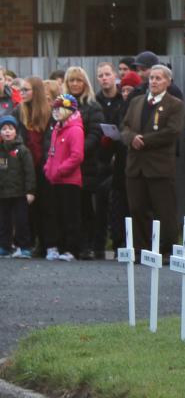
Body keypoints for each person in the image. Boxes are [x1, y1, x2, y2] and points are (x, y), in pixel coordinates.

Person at [121, 65, 183, 256]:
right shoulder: (136, 102)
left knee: (164, 211)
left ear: (168, 82)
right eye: (152, 78)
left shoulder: (174, 104)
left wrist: (144, 141)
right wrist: (131, 138)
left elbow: (172, 131)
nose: (154, 81)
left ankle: (166, 251)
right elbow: (124, 126)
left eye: (159, 78)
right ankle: (141, 249)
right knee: (137, 209)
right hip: (135, 167)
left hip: (159, 167)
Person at [63, 66, 105, 261]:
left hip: (86, 165)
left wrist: (78, 152)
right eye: (71, 81)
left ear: (85, 83)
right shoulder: (62, 107)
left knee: (86, 207)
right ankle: (73, 245)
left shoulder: (93, 106)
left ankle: (88, 245)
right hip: (66, 166)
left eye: (78, 80)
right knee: (70, 208)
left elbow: (96, 134)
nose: (75, 84)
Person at [11, 77, 54, 257]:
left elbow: (49, 141)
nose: (22, 93)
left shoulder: (49, 113)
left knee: (47, 207)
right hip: (24, 167)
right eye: (21, 90)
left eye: (26, 90)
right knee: (28, 208)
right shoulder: (17, 112)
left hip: (44, 166)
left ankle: (48, 244)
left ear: (35, 91)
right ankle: (30, 244)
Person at [44, 94, 85, 262]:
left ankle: (71, 248)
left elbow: (77, 156)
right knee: (55, 214)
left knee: (70, 215)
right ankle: (57, 245)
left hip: (69, 181)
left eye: (59, 109)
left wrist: (60, 170)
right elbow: (51, 151)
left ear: (69, 110)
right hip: (54, 179)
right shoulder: (56, 128)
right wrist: (48, 167)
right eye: (54, 109)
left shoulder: (75, 130)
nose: (56, 112)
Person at [95, 62, 124, 259]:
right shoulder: (95, 101)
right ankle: (98, 244)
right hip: (99, 156)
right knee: (99, 204)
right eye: (101, 76)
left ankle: (118, 243)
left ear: (114, 76)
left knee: (119, 204)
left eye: (107, 74)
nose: (104, 78)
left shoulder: (123, 99)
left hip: (120, 156)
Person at [0, 115, 36, 258]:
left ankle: (25, 247)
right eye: (4, 129)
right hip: (3, 194)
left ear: (16, 131)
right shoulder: (1, 151)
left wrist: (30, 191)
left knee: (21, 221)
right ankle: (4, 246)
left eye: (10, 129)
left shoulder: (22, 150)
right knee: (4, 222)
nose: (7, 132)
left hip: (20, 193)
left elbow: (29, 172)